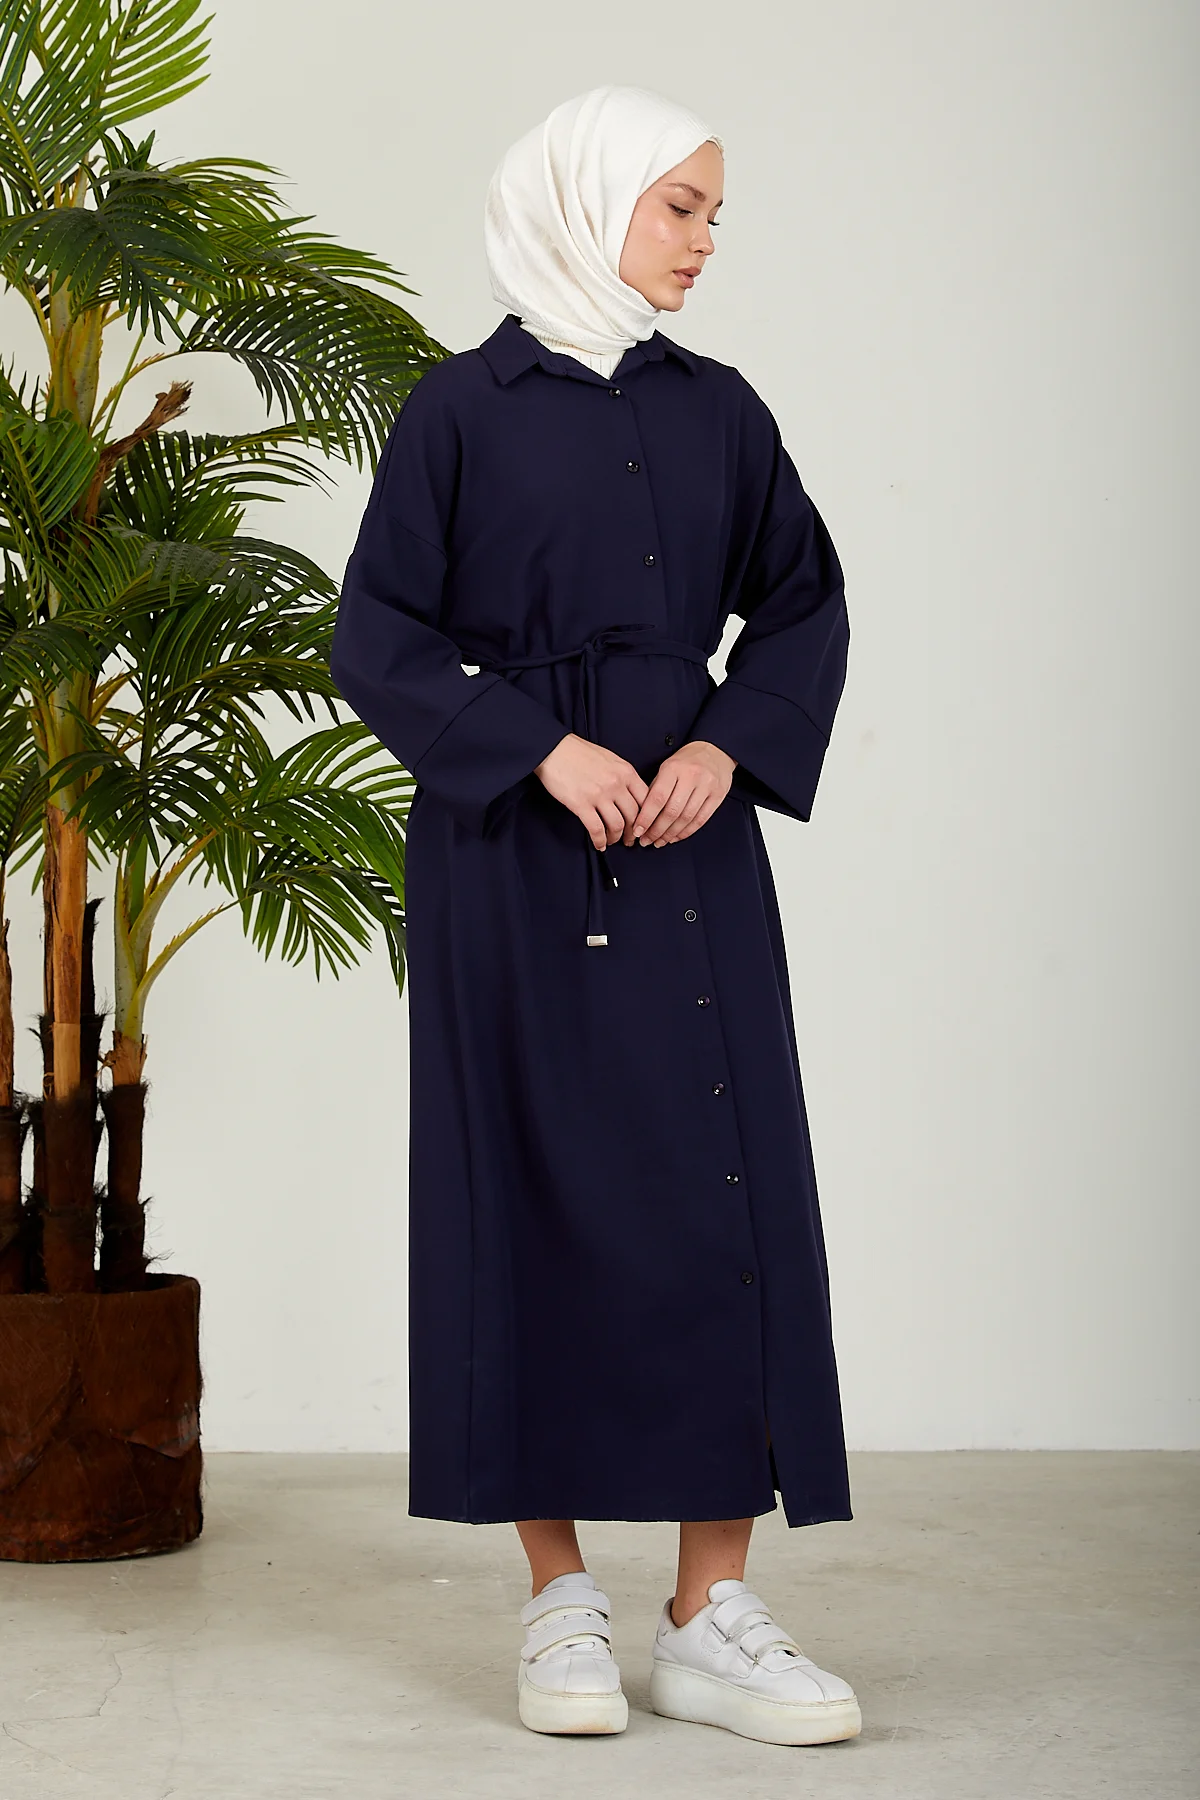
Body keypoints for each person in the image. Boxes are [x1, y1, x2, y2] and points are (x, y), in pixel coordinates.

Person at [330, 84, 859, 1746]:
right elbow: (377, 636)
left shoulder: (722, 413)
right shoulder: (455, 411)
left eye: (713, 213)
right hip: (507, 854)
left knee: (724, 1190)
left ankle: (712, 1609)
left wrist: (725, 744)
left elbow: (804, 603)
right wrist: (535, 748)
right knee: (522, 1193)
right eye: (680, 207)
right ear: (587, 198)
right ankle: (557, 1596)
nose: (706, 240)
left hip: (692, 852)